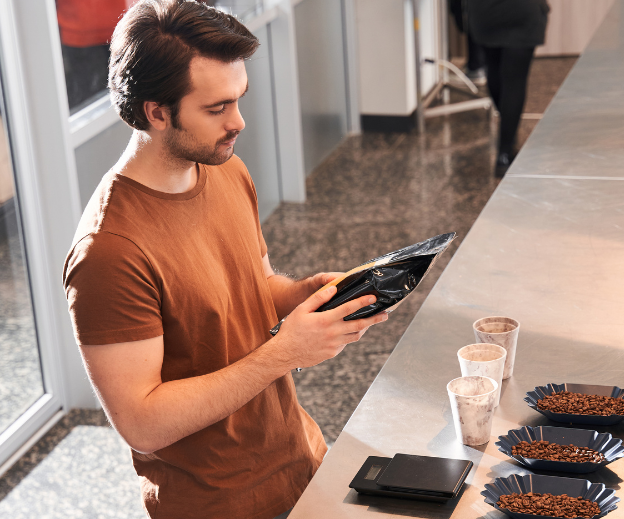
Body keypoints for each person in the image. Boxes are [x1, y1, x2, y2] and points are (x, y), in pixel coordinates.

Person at [62, 2, 388, 518]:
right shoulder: (109, 252)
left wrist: (308, 294)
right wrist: (285, 352)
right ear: (157, 112)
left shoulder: (223, 169)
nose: (238, 122)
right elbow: (142, 421)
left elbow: (252, 288)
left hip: (301, 461)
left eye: (239, 100)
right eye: (216, 109)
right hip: (220, 504)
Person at [467, 0, 550, 174]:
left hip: (485, 12)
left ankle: (508, 136)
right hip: (522, 9)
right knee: (515, 80)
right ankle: (504, 153)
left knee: (494, 69)